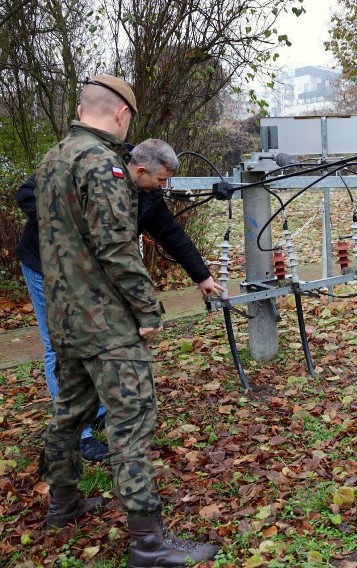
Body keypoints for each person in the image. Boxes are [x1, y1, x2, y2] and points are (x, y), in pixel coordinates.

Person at [34, 74, 217, 566]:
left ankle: (63, 501)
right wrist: (146, 308)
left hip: (65, 317)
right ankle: (149, 542)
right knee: (132, 422)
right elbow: (116, 247)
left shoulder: (53, 158)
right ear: (121, 115)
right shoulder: (104, 165)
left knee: (70, 411)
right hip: (106, 323)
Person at [16, 140, 223, 463]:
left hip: (94, 275)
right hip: (49, 267)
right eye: (161, 180)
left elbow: (171, 234)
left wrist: (203, 277)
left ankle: (97, 411)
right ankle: (76, 434)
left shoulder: (147, 195)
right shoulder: (88, 165)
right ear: (140, 170)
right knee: (61, 346)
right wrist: (73, 228)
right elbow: (27, 195)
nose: (163, 187)